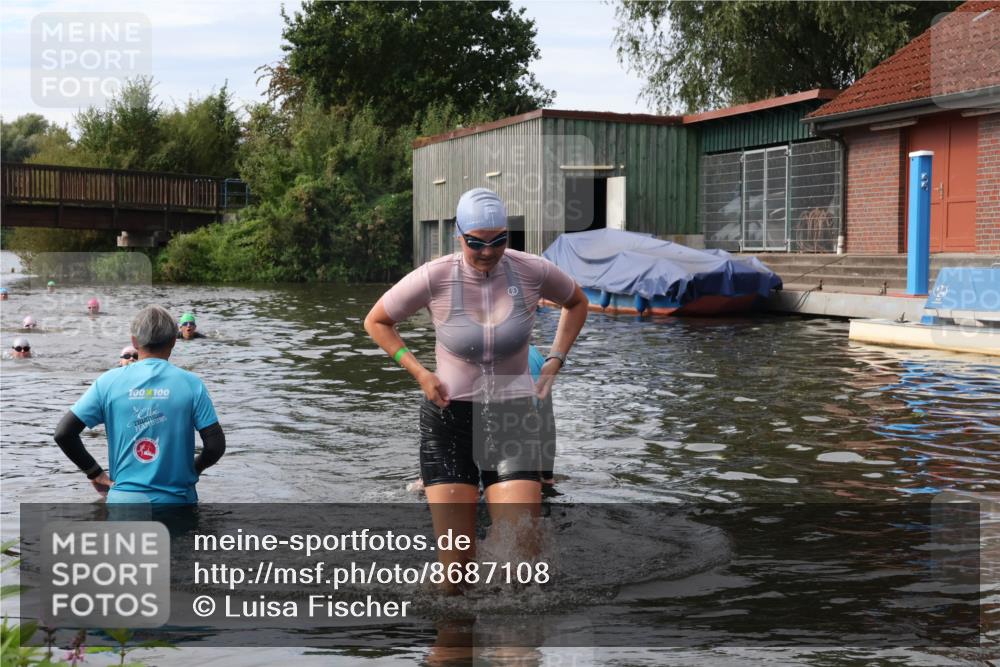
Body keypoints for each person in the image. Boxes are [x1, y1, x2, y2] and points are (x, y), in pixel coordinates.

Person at [364, 188, 587, 592]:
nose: (488, 251)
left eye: (499, 240)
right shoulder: (436, 276)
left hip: (512, 415)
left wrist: (555, 359)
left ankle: (513, 647)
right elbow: (377, 321)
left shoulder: (531, 270)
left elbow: (577, 302)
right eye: (477, 242)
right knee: (457, 574)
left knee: (524, 561)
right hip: (450, 418)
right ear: (459, 235)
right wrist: (419, 373)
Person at [53, 305, 226, 503]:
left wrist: (95, 472)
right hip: (178, 502)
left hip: (123, 502)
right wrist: (192, 470)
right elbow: (215, 446)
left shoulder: (107, 382)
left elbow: (64, 433)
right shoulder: (192, 384)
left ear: (134, 341)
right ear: (173, 341)